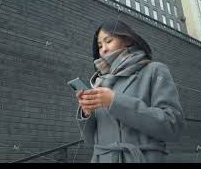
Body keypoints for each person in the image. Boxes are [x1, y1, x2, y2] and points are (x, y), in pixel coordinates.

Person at [75, 19, 185, 163]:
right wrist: (87, 112)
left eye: (108, 41)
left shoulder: (155, 70)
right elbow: (90, 141)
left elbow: (172, 126)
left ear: (127, 40)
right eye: (100, 45)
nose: (104, 49)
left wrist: (115, 101)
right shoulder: (100, 83)